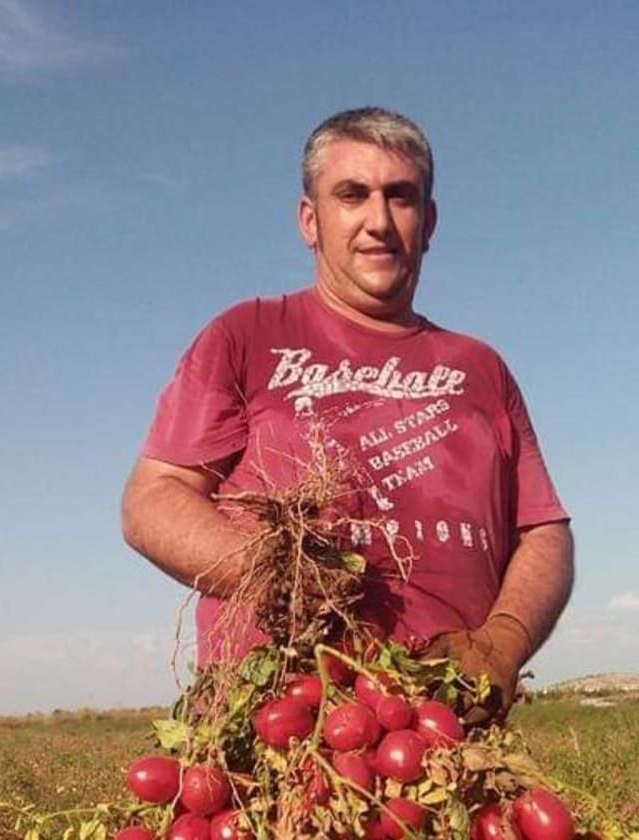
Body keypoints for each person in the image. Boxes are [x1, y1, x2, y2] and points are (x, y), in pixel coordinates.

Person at [122, 107, 573, 720]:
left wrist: (504, 640)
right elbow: (154, 497)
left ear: (430, 221)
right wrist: (281, 577)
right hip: (279, 722)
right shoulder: (246, 334)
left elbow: (542, 530)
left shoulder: (481, 368)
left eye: (402, 197)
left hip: (446, 727)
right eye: (352, 195)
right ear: (311, 220)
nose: (378, 221)